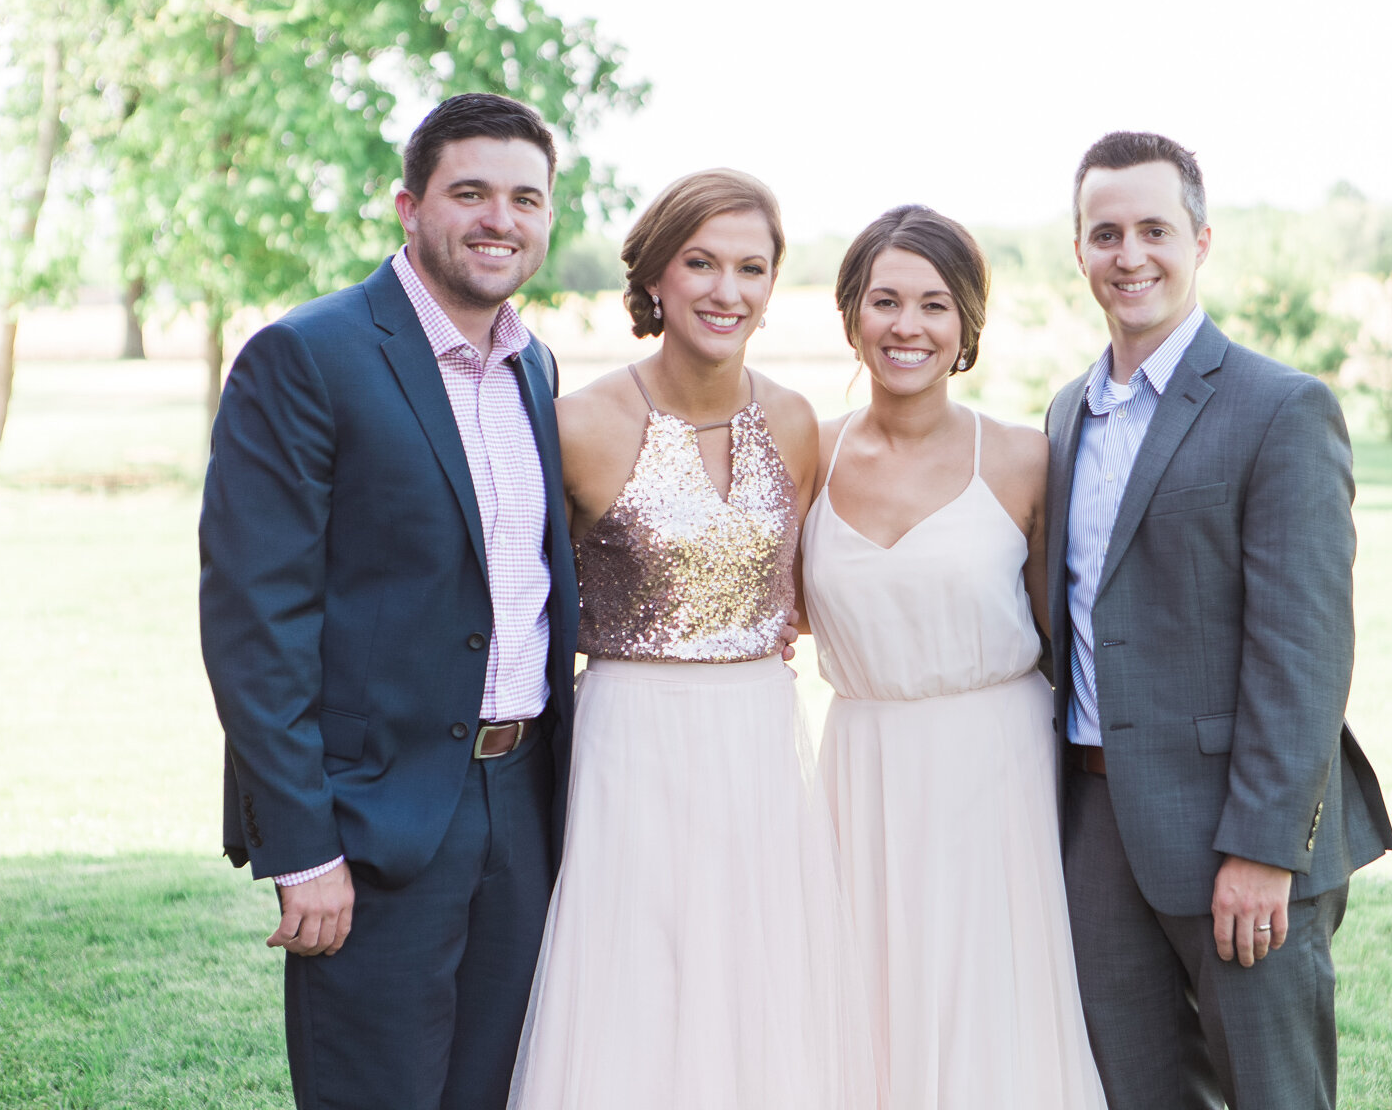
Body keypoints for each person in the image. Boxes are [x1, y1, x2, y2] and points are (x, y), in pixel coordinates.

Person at [199, 92, 580, 1110]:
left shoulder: (536, 370)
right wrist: (303, 845)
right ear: (408, 207)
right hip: (375, 817)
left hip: (527, 799)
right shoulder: (307, 358)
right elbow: (254, 624)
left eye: (525, 198)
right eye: (471, 192)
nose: (500, 218)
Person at [508, 169, 878, 1109]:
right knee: (639, 974)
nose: (728, 289)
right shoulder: (579, 425)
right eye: (701, 262)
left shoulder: (796, 421)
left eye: (752, 267)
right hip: (634, 735)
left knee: (761, 975)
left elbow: (799, 588)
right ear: (656, 280)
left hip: (758, 730)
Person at [1045, 131, 1392, 1110]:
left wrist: (1264, 848)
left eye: (1154, 229)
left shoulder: (1280, 409)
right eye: (1105, 233)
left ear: (1201, 240)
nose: (1130, 255)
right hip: (1097, 828)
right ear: (1079, 251)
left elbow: (1306, 649)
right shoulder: (1067, 413)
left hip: (1235, 841)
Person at [804, 205, 1107, 1109]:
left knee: (991, 1006)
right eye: (885, 300)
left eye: (935, 305)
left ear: (966, 325)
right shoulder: (804, 453)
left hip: (993, 772)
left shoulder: (1023, 458)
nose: (908, 326)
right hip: (860, 770)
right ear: (852, 312)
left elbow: (1075, 633)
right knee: (862, 1002)